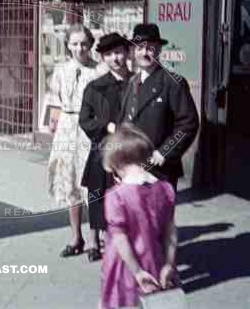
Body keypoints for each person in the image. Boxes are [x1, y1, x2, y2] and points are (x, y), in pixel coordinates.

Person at [100, 123, 178, 309]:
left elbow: (120, 240)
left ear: (117, 164)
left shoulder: (116, 196)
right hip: (156, 261)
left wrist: (137, 271)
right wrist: (169, 263)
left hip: (125, 266)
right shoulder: (165, 190)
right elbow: (171, 232)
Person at [47, 23, 108, 258]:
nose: (79, 48)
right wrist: (54, 124)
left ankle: (94, 240)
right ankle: (76, 237)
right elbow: (54, 101)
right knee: (70, 183)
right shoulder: (61, 70)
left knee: (92, 185)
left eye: (83, 43)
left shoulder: (99, 71)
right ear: (68, 45)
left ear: (91, 44)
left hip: (90, 130)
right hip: (66, 129)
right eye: (74, 43)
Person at [116, 23, 199, 190]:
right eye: (139, 48)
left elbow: (188, 123)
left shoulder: (172, 82)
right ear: (133, 52)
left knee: (156, 216)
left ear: (159, 51)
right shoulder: (132, 82)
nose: (144, 53)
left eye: (150, 49)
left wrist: (165, 151)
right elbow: (123, 124)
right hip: (131, 168)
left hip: (158, 169)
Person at [78, 32, 132, 262]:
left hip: (130, 152)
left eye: (118, 52)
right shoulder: (95, 87)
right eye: (109, 54)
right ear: (103, 58)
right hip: (103, 149)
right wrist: (107, 126)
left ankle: (122, 243)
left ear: (127, 53)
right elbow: (85, 119)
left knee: (125, 198)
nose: (115, 58)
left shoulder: (137, 83)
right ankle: (92, 241)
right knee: (97, 194)